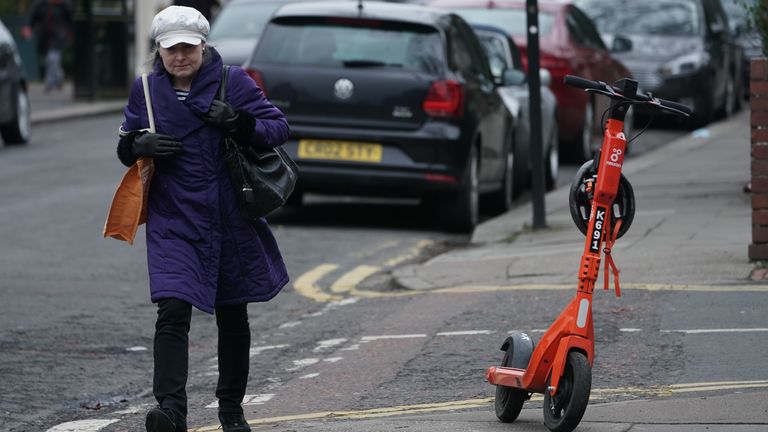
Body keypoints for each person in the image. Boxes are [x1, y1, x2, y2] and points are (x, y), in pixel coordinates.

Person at [115, 6, 290, 432]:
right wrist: (141, 143)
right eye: (171, 48)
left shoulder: (234, 82)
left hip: (230, 218)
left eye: (188, 48)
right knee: (172, 310)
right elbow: (124, 146)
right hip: (174, 220)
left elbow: (278, 128)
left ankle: (231, 409)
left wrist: (240, 122)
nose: (180, 57)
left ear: (203, 46)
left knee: (233, 315)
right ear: (158, 50)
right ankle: (171, 411)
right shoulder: (146, 89)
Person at [22, 0, 72, 92]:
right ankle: (59, 77)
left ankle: (49, 83)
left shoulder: (64, 6)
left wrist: (70, 33)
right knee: (49, 61)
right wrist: (28, 28)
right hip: (44, 38)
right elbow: (33, 17)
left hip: (58, 37)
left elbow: (71, 19)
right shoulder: (41, 5)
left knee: (52, 59)